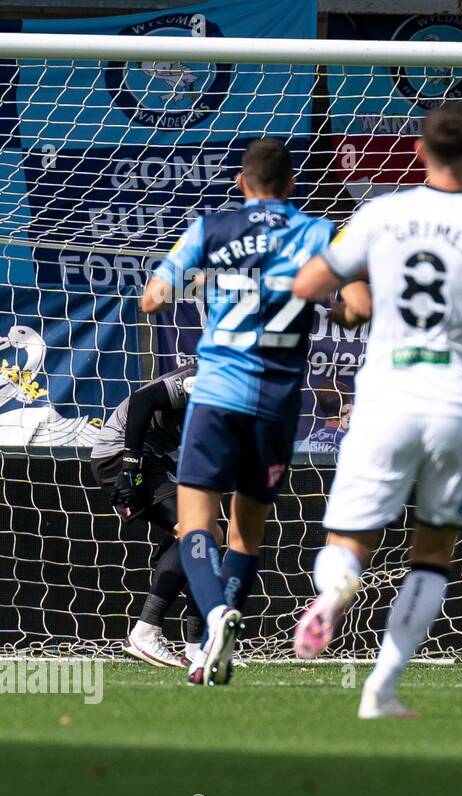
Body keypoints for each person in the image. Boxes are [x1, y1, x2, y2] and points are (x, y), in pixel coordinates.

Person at [289, 103, 462, 719]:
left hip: (386, 393)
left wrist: (356, 297)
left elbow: (309, 285)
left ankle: (332, 595)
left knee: (351, 538)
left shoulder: (378, 215)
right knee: (432, 552)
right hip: (456, 402)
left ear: (419, 151)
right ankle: (380, 691)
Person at [140, 138, 335, 686]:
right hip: (276, 403)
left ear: (242, 184)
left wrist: (201, 278)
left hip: (217, 393)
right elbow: (350, 304)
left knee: (195, 521)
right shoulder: (317, 233)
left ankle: (213, 617)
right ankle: (208, 649)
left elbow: (151, 299)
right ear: (292, 185)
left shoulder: (211, 229)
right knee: (247, 531)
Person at [90, 364, 205, 668]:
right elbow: (142, 401)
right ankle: (146, 632)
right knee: (195, 530)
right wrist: (129, 469)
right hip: (122, 456)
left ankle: (197, 649)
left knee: (210, 534)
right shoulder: (206, 373)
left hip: (155, 459)